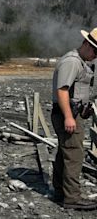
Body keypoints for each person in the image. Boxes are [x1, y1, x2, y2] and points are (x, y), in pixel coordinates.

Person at [51, 28, 97, 210]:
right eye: (95, 51)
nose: (95, 56)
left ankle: (61, 192)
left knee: (65, 153)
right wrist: (69, 117)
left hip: (73, 113)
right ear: (86, 44)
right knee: (74, 155)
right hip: (67, 114)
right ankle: (72, 198)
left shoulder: (81, 62)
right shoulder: (72, 62)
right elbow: (62, 90)